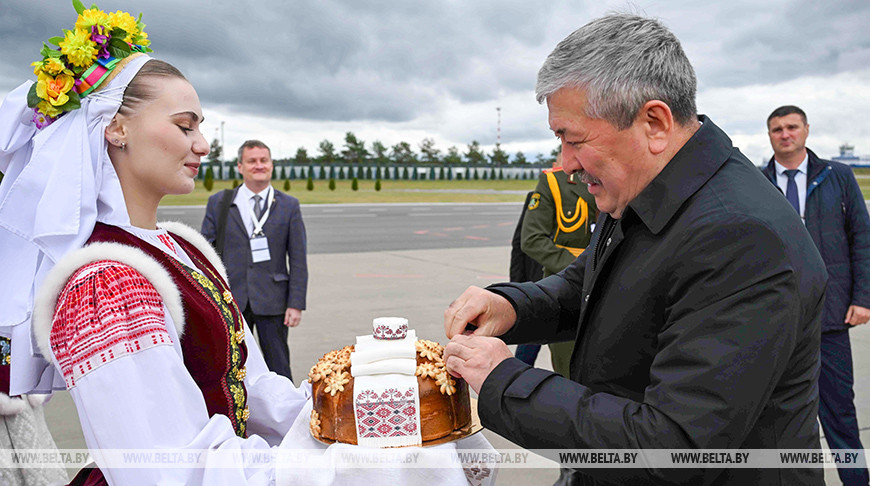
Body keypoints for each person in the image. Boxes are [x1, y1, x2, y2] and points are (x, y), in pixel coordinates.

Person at [1, 4, 493, 484]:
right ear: (116, 127)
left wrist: (352, 408)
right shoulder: (103, 285)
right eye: (184, 125)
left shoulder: (180, 247)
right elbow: (167, 468)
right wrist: (341, 470)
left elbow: (248, 387)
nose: (202, 144)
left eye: (200, 126)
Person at [443, 13, 828, 485]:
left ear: (654, 123)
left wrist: (505, 382)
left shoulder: (740, 237)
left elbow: (672, 447)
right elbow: (589, 284)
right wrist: (512, 306)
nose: (565, 163)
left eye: (573, 139)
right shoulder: (643, 185)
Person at [762, 105, 870, 486]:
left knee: (840, 415)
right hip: (776, 322)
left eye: (792, 127)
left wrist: (863, 297)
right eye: (777, 129)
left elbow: (862, 239)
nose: (785, 134)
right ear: (769, 135)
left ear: (806, 130)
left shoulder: (838, 176)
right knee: (781, 421)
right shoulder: (758, 181)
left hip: (830, 318)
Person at [201, 140, 308, 382]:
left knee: (278, 366)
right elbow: (205, 253)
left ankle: (284, 407)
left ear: (271, 165)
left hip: (273, 300)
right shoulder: (220, 203)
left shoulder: (289, 205)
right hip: (232, 299)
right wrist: (209, 300)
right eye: (252, 161)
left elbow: (298, 258)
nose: (259, 165)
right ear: (240, 167)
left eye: (263, 160)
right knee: (233, 367)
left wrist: (296, 303)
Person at [520, 152, 597, 378]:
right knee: (570, 369)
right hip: (569, 288)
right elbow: (531, 239)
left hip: (614, 285)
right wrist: (582, 266)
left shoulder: (619, 177)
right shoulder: (554, 183)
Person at [509, 191, 543, 366]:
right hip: (535, 289)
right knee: (525, 355)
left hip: (570, 289)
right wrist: (516, 286)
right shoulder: (537, 196)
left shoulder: (584, 196)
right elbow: (519, 243)